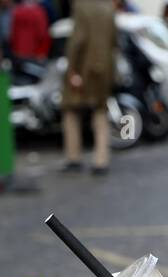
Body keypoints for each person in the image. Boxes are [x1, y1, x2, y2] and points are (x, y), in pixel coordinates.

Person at [62, 0, 117, 175]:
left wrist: (72, 70)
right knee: (100, 112)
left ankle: (74, 157)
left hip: (84, 69)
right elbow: (113, 43)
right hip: (104, 69)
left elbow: (78, 40)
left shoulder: (81, 7)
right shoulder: (109, 8)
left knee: (70, 111)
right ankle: (101, 160)